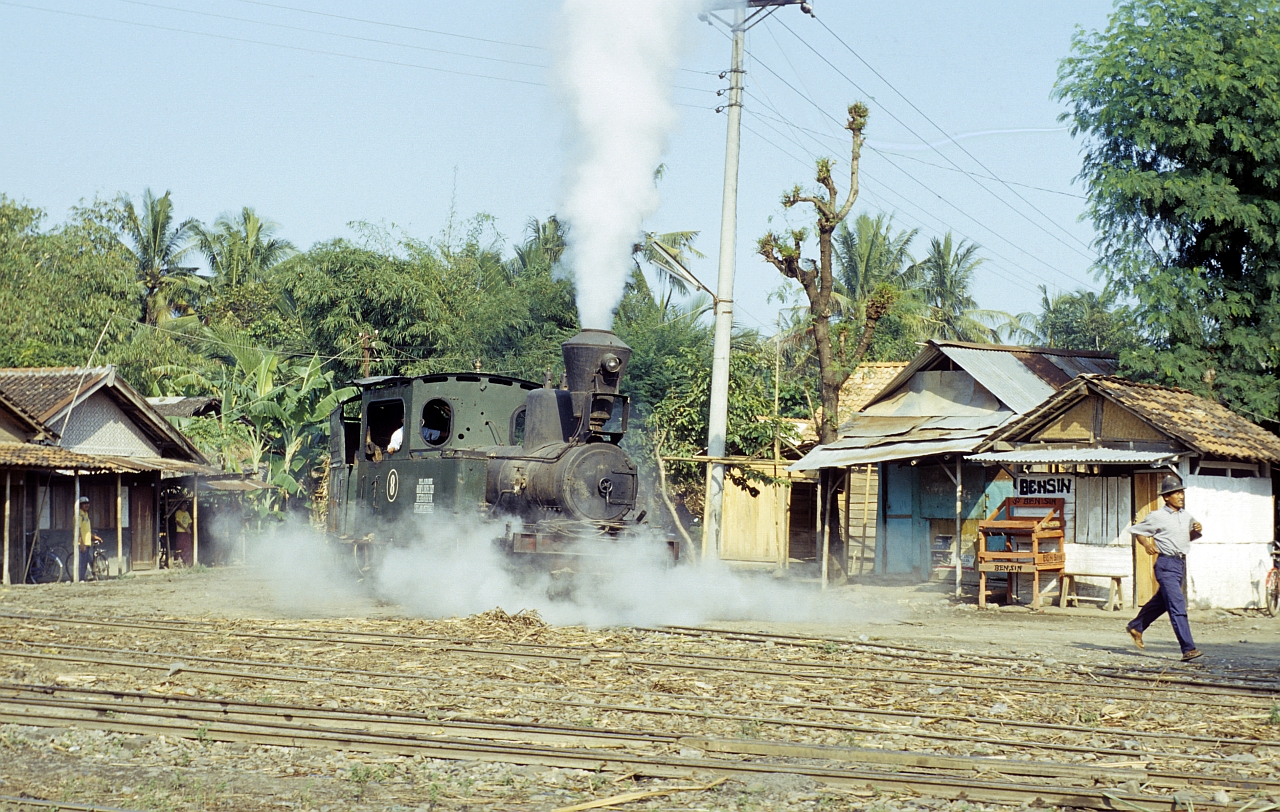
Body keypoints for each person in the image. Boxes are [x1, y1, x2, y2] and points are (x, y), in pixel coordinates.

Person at [1126, 474, 1203, 661]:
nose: (1180, 496)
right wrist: (1146, 544)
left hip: (1180, 564)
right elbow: (1138, 532)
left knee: (1162, 601)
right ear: (1166, 497)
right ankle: (1188, 648)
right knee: (1177, 605)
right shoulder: (1157, 516)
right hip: (1165, 564)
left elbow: (1187, 538)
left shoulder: (1186, 516)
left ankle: (1136, 626)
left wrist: (1195, 531)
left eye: (1181, 492)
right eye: (1176, 493)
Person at [75, 496, 101, 582]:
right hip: (82, 543)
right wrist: (81, 542)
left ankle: (88, 576)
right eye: (84, 504)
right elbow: (77, 529)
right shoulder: (79, 515)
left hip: (87, 542)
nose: (87, 505)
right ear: (80, 505)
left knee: (86, 561)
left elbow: (86, 530)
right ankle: (80, 579)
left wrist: (94, 537)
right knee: (82, 563)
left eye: (88, 503)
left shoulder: (85, 515)